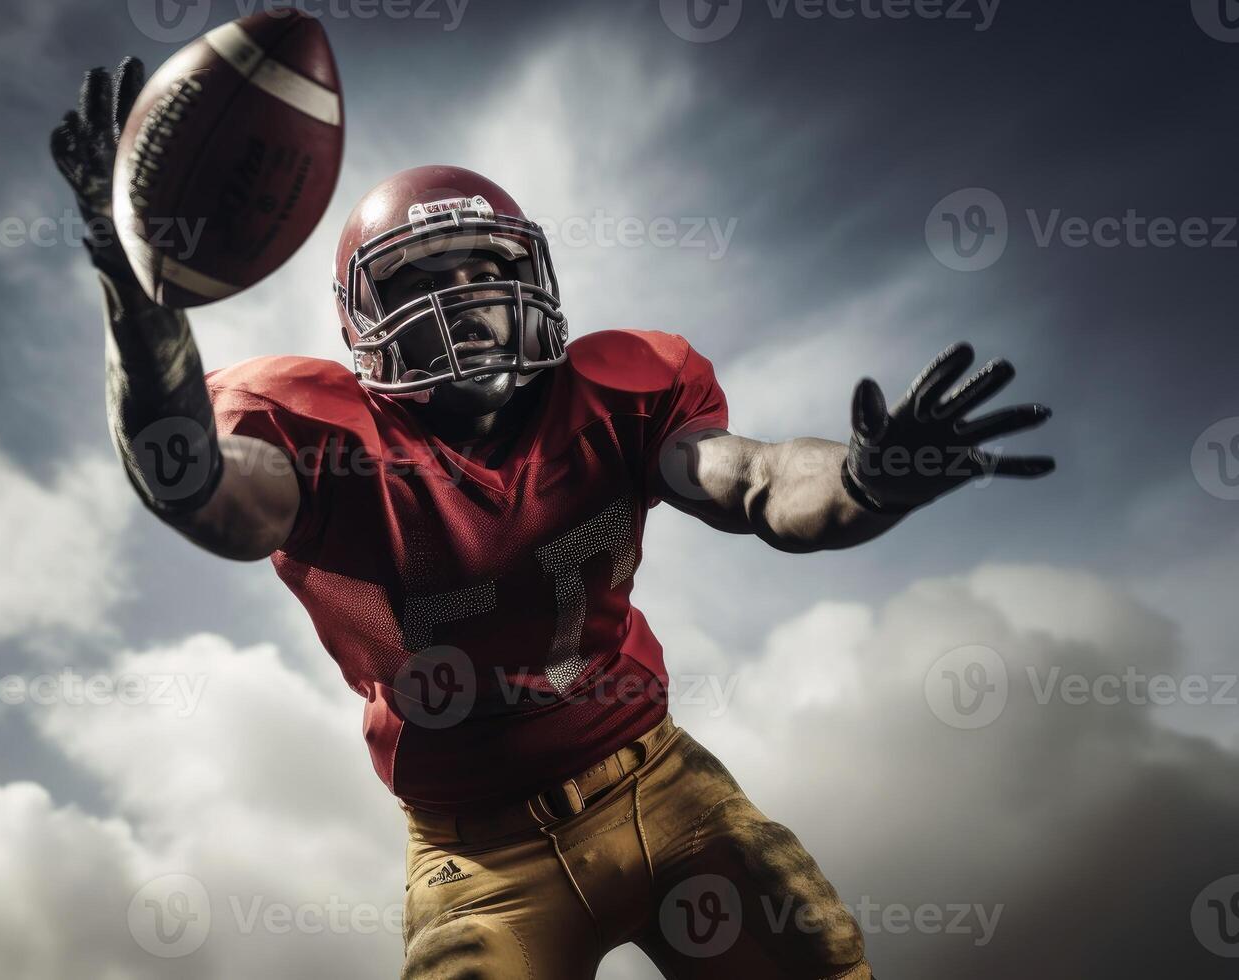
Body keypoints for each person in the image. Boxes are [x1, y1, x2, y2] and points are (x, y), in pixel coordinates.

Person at [51, 58, 1053, 980]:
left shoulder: (623, 391)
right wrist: (136, 297)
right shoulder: (320, 433)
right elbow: (191, 483)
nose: (466, 299)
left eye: (484, 268)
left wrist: (868, 478)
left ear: (531, 276)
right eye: (420, 279)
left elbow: (752, 481)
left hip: (661, 785)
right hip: (471, 847)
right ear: (361, 321)